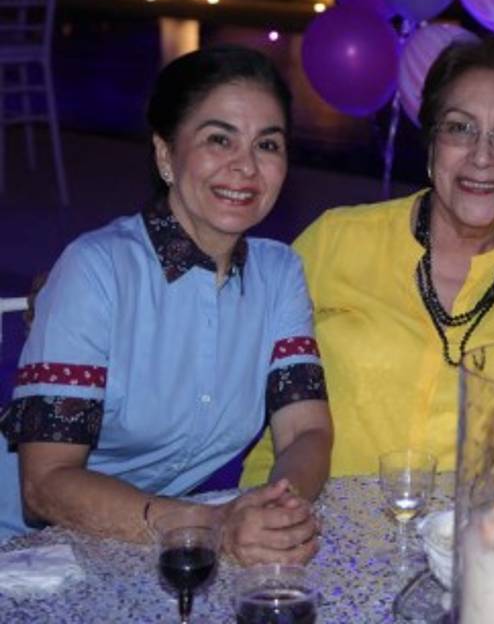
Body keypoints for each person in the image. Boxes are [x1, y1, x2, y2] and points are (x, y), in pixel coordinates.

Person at [0, 45, 332, 565]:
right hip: (25, 548)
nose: (245, 166)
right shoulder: (97, 270)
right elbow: (45, 484)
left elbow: (307, 430)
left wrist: (277, 512)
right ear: (164, 155)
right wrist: (213, 526)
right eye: (218, 139)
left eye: (267, 144)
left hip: (141, 547)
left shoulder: (278, 273)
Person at [240, 35, 494, 481]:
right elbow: (231, 368)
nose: (482, 156)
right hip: (304, 522)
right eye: (459, 127)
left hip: (472, 536)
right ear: (431, 147)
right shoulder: (337, 241)